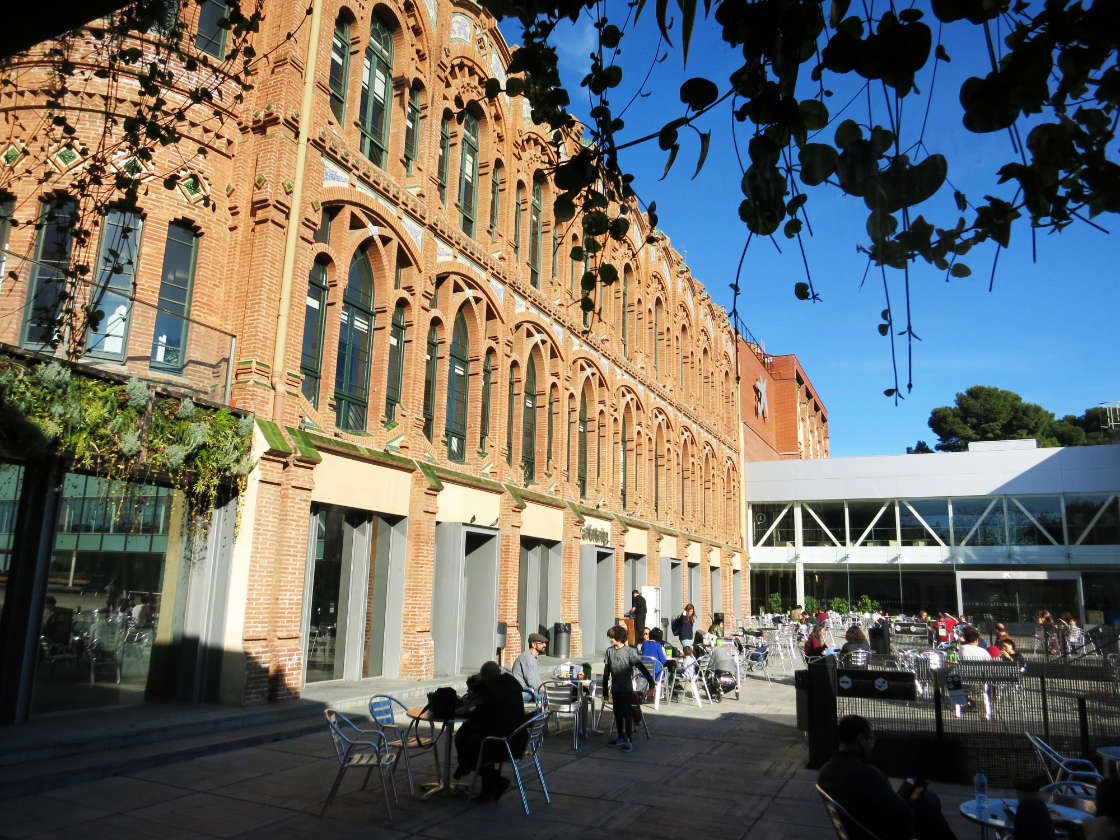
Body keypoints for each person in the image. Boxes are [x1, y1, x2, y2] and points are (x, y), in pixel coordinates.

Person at [818, 714, 958, 840]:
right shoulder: (869, 774)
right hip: (885, 832)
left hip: (863, 829)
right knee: (928, 802)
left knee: (927, 799)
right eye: (871, 738)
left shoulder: (825, 773)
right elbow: (904, 817)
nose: (872, 744)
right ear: (861, 739)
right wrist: (911, 799)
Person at [454, 661, 528, 802]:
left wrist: (468, 708)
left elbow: (483, 715)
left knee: (469, 742)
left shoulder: (494, 691)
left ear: (486, 677)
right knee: (471, 739)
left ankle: (491, 785)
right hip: (517, 739)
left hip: (504, 743)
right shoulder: (509, 684)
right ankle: (492, 783)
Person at [602, 625, 654, 752]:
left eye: (612, 637)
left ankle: (629, 739)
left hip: (626, 688)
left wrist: (651, 682)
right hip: (615, 688)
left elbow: (640, 666)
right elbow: (606, 672)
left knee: (627, 714)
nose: (610, 639)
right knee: (617, 713)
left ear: (619, 638)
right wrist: (604, 691)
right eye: (610, 637)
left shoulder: (630, 652)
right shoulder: (609, 651)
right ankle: (620, 736)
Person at [511, 632, 547, 698]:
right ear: (533, 644)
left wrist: (543, 687)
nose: (545, 645)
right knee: (548, 697)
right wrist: (543, 689)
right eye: (541, 643)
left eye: (545, 643)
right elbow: (531, 681)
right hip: (523, 692)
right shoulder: (527, 658)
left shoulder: (533, 657)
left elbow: (536, 678)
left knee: (549, 694)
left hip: (530, 690)